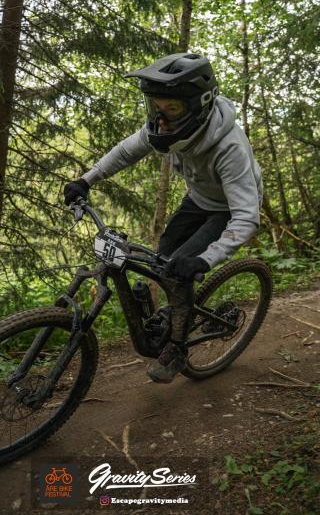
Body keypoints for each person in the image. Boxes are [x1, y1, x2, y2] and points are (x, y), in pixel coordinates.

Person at [64, 53, 263, 383]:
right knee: (164, 255)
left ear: (199, 105)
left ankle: (177, 348)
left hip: (230, 208)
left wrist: (205, 259)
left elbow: (246, 216)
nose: (161, 118)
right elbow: (126, 151)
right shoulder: (166, 127)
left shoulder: (229, 148)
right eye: (156, 107)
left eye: (172, 109)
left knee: (183, 264)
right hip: (199, 198)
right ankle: (181, 309)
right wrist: (87, 180)